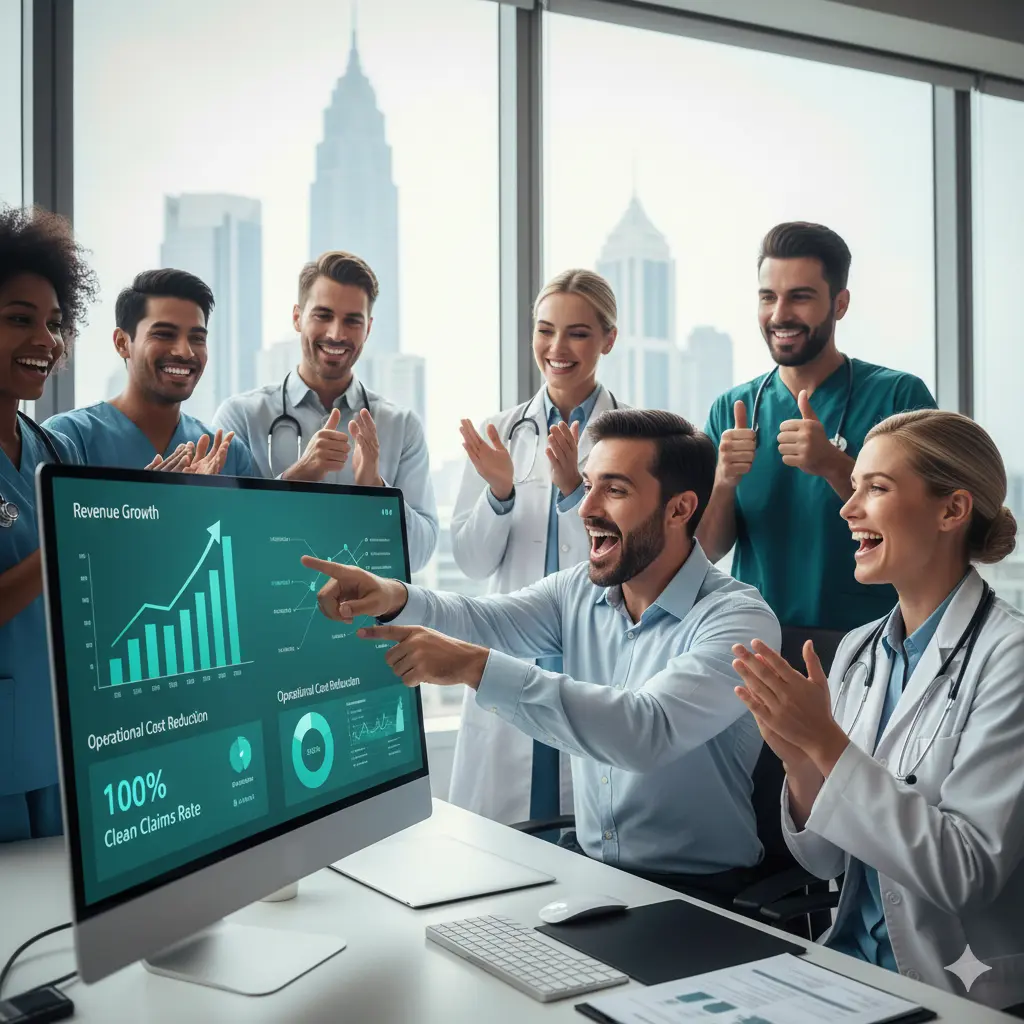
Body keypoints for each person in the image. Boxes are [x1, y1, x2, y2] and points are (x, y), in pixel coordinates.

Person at [304, 410, 782, 907]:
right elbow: (482, 618)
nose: (585, 508)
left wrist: (474, 667)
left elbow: (647, 732)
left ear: (680, 509)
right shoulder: (577, 590)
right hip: (593, 878)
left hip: (700, 899)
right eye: (587, 484)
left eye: (613, 490)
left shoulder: (738, 620)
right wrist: (393, 595)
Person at [731, 410, 1024, 1011]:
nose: (848, 506)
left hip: (954, 990)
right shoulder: (859, 650)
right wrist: (801, 762)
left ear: (952, 510)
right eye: (855, 483)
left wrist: (827, 746)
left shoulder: (1010, 657)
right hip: (851, 971)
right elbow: (823, 859)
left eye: (877, 487)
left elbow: (964, 874)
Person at [699, 222, 936, 647]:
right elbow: (707, 550)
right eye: (768, 297)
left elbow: (925, 525)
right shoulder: (730, 409)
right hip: (757, 643)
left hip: (876, 643)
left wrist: (832, 464)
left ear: (840, 303)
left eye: (800, 297)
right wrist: (723, 482)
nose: (779, 314)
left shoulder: (899, 395)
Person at [449, 268, 621, 828]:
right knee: (507, 845)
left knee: (589, 840)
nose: (557, 348)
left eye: (577, 333)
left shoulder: (634, 441)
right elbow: (473, 562)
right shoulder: (500, 433)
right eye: (545, 331)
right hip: (516, 655)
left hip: (596, 659)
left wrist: (574, 488)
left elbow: (633, 558)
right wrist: (500, 489)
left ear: (607, 339)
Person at [212, 251, 438, 573]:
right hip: (269, 617)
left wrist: (375, 488)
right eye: (323, 315)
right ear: (297, 317)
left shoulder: (401, 426)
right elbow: (222, 539)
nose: (336, 334)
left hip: (367, 621)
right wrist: (295, 479)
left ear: (368, 328)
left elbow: (420, 555)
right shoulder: (241, 418)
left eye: (352, 320)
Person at [0, 204, 97, 841]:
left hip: (58, 747)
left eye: (56, 324)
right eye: (19, 320)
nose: (46, 340)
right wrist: (66, 542)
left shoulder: (52, 451)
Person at [44, 269, 253, 475]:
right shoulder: (66, 437)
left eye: (197, 338)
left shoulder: (230, 455)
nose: (185, 352)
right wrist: (147, 500)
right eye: (164, 334)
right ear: (122, 343)